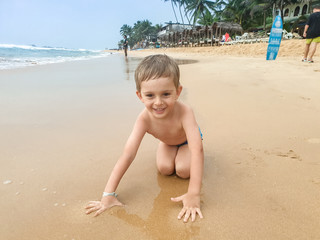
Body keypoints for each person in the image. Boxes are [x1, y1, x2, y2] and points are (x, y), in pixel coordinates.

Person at [85, 55, 204, 223]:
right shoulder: (144, 119)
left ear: (178, 92)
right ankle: (171, 152)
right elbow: (128, 154)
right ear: (140, 95)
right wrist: (108, 194)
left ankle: (182, 159)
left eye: (166, 94)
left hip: (187, 142)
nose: (158, 102)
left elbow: (196, 149)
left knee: (183, 170)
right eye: (150, 95)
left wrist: (194, 193)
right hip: (167, 142)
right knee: (165, 168)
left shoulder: (185, 112)